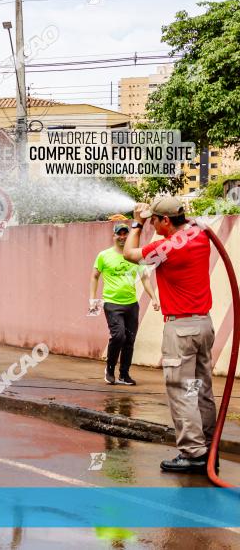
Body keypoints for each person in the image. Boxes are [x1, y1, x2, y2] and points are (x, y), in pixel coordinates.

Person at [122, 197, 216, 474]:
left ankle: (193, 452)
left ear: (165, 221)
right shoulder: (200, 236)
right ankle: (207, 446)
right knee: (199, 388)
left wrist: (137, 223)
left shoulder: (167, 249)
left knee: (181, 390)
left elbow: (130, 253)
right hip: (203, 325)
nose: (151, 224)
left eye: (154, 220)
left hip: (181, 329)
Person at [89, 220, 159, 386]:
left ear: (128, 236)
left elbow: (144, 278)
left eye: (125, 233)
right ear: (113, 236)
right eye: (119, 233)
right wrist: (92, 300)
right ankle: (110, 369)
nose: (122, 236)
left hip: (131, 304)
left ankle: (124, 375)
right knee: (119, 335)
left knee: (130, 340)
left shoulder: (135, 256)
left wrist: (154, 298)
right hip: (112, 303)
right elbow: (94, 276)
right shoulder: (104, 255)